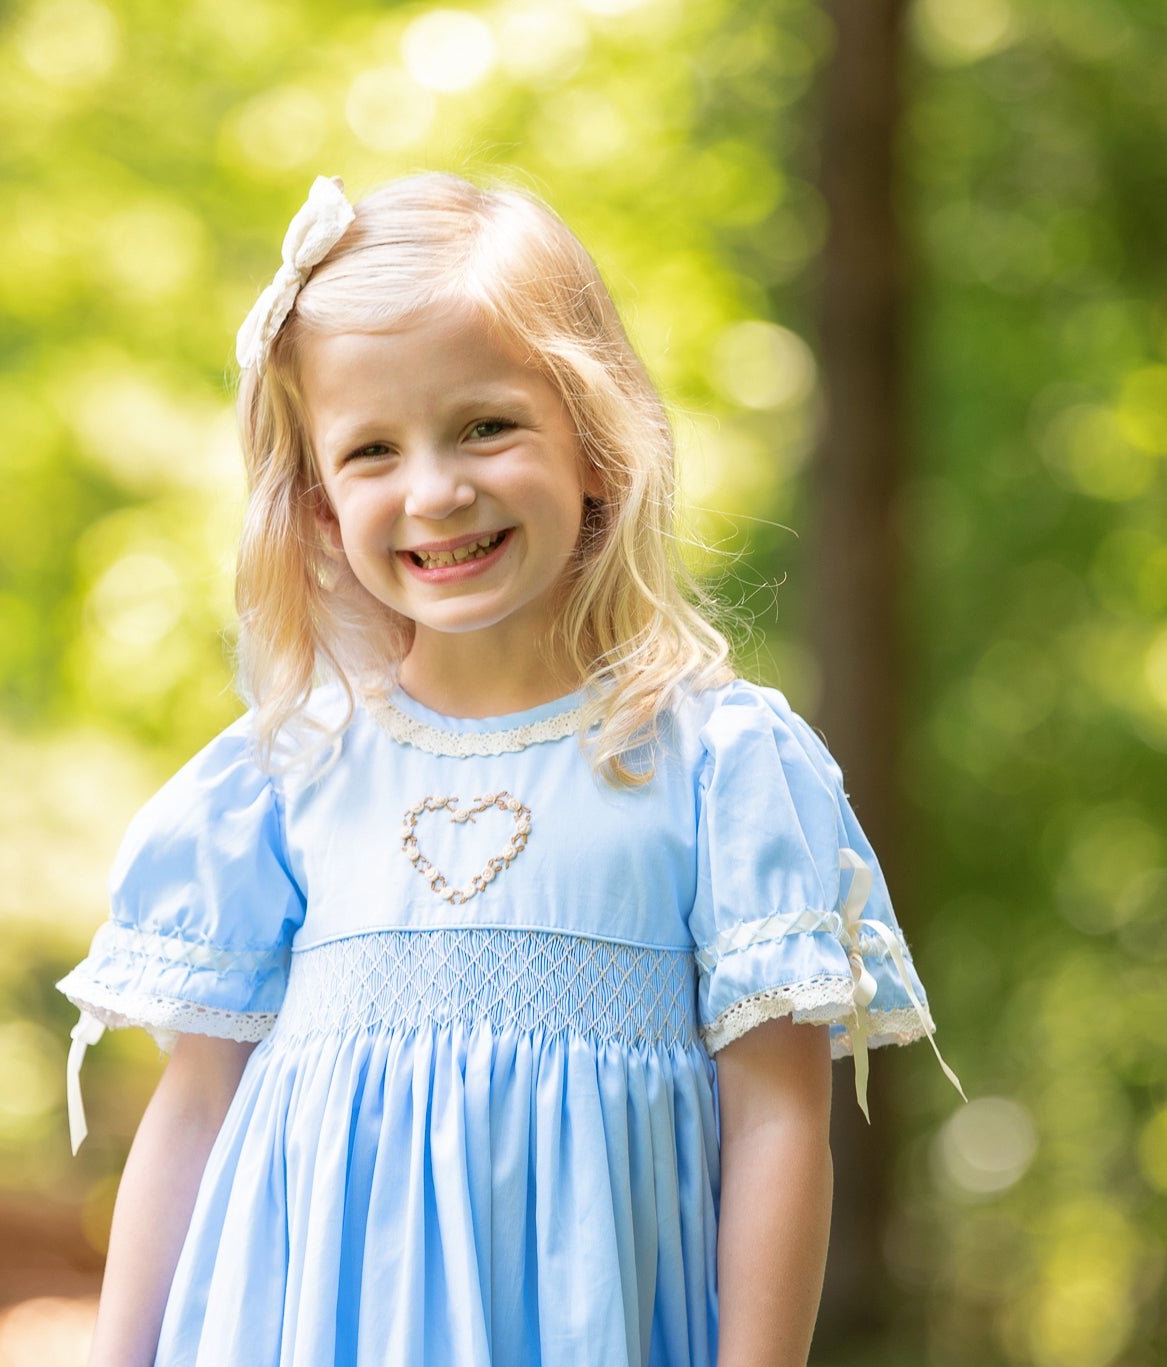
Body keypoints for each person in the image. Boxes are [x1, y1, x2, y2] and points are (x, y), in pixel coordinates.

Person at [56, 172, 966, 1367]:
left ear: (594, 448)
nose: (435, 489)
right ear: (322, 507)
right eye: (371, 449)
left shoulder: (715, 765)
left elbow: (776, 1118)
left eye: (484, 424)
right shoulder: (282, 775)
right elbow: (193, 1114)